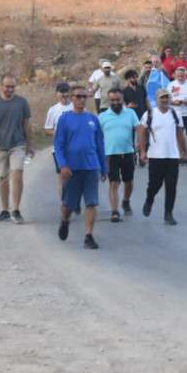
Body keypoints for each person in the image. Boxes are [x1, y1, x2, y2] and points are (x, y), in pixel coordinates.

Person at [53, 85, 108, 249]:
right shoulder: (64, 119)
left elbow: (100, 145)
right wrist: (62, 165)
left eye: (84, 96)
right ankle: (65, 221)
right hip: (71, 169)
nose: (82, 99)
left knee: (91, 203)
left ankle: (88, 235)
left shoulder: (93, 119)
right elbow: (58, 144)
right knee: (69, 204)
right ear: (72, 98)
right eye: (78, 96)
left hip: (91, 167)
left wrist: (103, 167)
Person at [0, 73, 34, 224]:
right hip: (0, 146)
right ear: (1, 86)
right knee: (2, 178)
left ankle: (16, 210)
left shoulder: (22, 103)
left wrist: (29, 145)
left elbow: (26, 125)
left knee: (17, 174)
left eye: (12, 87)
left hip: (17, 144)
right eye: (7, 87)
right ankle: (5, 210)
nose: (10, 90)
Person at [138, 88, 187, 224]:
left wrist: (184, 152)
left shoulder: (175, 113)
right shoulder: (149, 114)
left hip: (172, 156)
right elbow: (141, 132)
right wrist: (142, 151)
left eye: (167, 97)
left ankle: (168, 213)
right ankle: (149, 200)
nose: (165, 100)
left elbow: (179, 134)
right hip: (155, 156)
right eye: (162, 97)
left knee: (171, 186)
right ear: (157, 99)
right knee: (154, 184)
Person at [99, 89, 141, 222]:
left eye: (118, 100)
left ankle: (126, 200)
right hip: (110, 155)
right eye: (112, 100)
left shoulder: (130, 113)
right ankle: (115, 211)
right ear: (108, 100)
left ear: (122, 100)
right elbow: (97, 137)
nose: (115, 102)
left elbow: (138, 128)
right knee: (114, 183)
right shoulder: (102, 116)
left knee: (128, 182)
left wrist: (140, 143)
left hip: (128, 152)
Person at [43, 81, 74, 203]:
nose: (65, 98)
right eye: (62, 96)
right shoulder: (53, 110)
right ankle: (64, 202)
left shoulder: (75, 107)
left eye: (67, 96)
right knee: (63, 176)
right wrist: (57, 133)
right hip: (58, 149)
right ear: (57, 95)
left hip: (74, 148)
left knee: (75, 176)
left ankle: (73, 199)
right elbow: (47, 129)